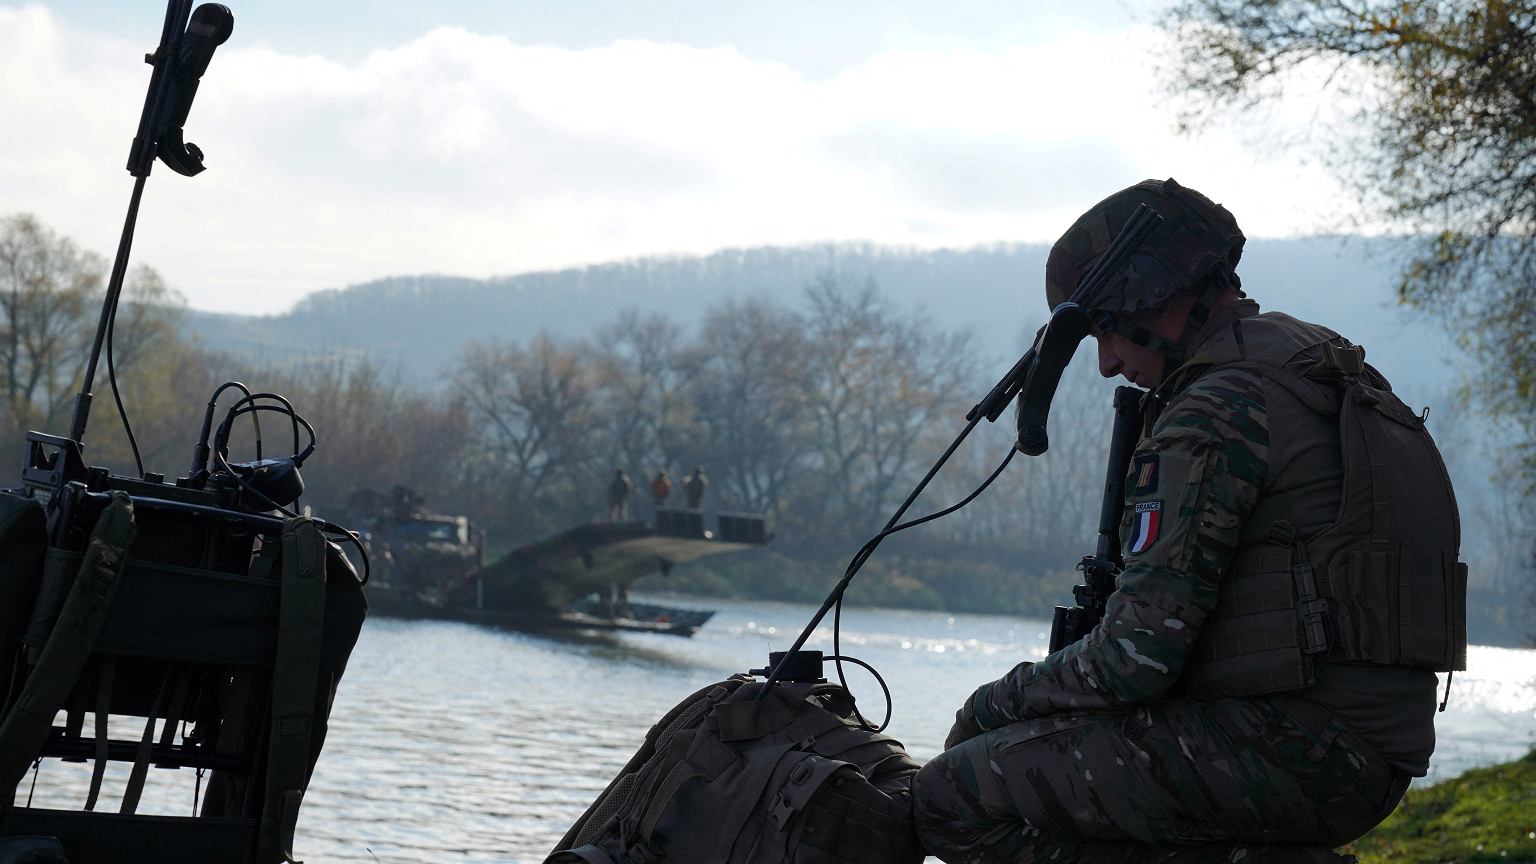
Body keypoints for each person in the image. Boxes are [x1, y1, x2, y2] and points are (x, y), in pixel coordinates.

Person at [912, 178, 1466, 863]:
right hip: (1365, 751)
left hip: (1295, 750)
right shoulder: (1309, 360)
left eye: (1108, 331)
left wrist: (991, 704)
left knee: (949, 797)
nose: (1108, 362)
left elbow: (1131, 661)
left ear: (1155, 297)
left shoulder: (1218, 406)